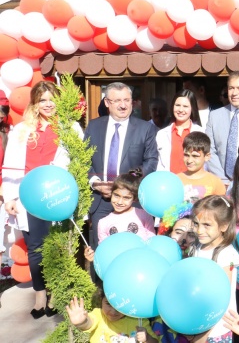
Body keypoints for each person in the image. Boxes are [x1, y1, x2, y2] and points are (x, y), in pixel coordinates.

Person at [1, 81, 83, 318]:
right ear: (35, 104)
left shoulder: (70, 127)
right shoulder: (22, 130)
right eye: (42, 100)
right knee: (36, 248)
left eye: (52, 99)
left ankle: (55, 294)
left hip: (58, 196)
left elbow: (79, 164)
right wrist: (10, 197)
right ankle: (40, 296)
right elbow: (11, 165)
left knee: (58, 247)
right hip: (29, 198)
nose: (48, 104)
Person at [85, 82, 158, 256]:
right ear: (107, 102)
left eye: (127, 100)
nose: (123, 105)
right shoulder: (93, 127)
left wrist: (125, 182)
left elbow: (150, 162)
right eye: (117, 100)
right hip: (100, 200)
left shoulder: (145, 128)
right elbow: (83, 160)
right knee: (102, 252)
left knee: (134, 252)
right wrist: (94, 182)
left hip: (131, 200)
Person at [190, 195, 239, 341]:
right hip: (196, 322)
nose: (199, 230)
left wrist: (204, 334)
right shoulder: (196, 247)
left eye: (207, 225)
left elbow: (221, 297)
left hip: (216, 328)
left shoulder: (226, 254)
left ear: (224, 226)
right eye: (196, 223)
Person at [66, 290, 158, 343]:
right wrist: (82, 322)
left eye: (119, 306)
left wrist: (147, 338)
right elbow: (89, 323)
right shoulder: (98, 315)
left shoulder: (138, 321)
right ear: (101, 299)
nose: (113, 312)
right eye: (108, 304)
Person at [96, 168, 155, 243]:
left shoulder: (144, 215)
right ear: (111, 193)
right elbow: (104, 248)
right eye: (116, 195)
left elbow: (152, 241)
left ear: (134, 198)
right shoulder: (103, 223)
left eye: (126, 198)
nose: (120, 202)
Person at [156, 89, 204, 174]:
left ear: (192, 108)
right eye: (177, 105)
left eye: (185, 106)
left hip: (193, 180)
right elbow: (159, 164)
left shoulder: (201, 133)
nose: (181, 110)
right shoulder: (162, 134)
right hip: (168, 180)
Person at [179, 132, 226, 201]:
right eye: (186, 155)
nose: (189, 160)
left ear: (207, 156)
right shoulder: (176, 180)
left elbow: (221, 206)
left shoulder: (215, 182)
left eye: (195, 156)